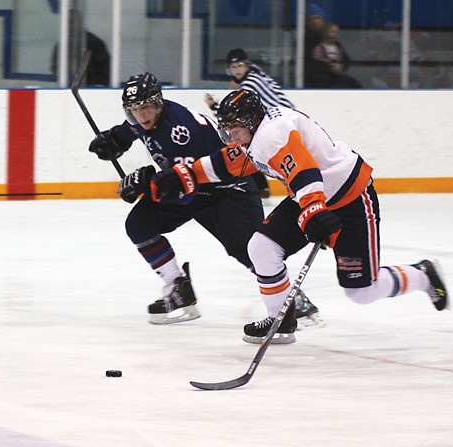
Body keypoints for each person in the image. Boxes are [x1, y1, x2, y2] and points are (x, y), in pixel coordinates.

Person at [150, 90, 449, 345]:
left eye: (234, 129)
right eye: (226, 130)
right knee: (261, 247)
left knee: (361, 291)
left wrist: (313, 209)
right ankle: (280, 317)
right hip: (312, 197)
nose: (231, 137)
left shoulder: (271, 136)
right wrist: (185, 174)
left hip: (350, 198)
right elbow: (233, 161)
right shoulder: (256, 135)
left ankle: (423, 275)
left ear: (252, 122)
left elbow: (305, 172)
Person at [87, 73, 322, 327]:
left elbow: (187, 181)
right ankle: (179, 288)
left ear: (158, 102)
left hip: (228, 190)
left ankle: (293, 300)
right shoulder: (140, 119)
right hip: (190, 190)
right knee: (139, 224)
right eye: (135, 109)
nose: (142, 115)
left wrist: (146, 184)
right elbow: (126, 134)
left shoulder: (182, 130)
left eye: (146, 107)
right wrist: (110, 143)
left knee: (249, 250)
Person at [203, 48, 293, 198]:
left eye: (239, 65)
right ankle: (263, 187)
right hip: (283, 119)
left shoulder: (250, 84)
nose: (237, 70)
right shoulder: (256, 76)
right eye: (233, 67)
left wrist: (213, 105)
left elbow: (235, 115)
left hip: (279, 124)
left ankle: (262, 186)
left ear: (246, 65)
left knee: (248, 149)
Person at [311, 22, 362, 88]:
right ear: (325, 33)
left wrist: (341, 66)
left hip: (337, 76)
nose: (335, 35)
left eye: (337, 32)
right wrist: (331, 67)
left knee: (352, 82)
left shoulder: (339, 47)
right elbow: (316, 64)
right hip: (323, 78)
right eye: (332, 32)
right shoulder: (319, 47)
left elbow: (347, 60)